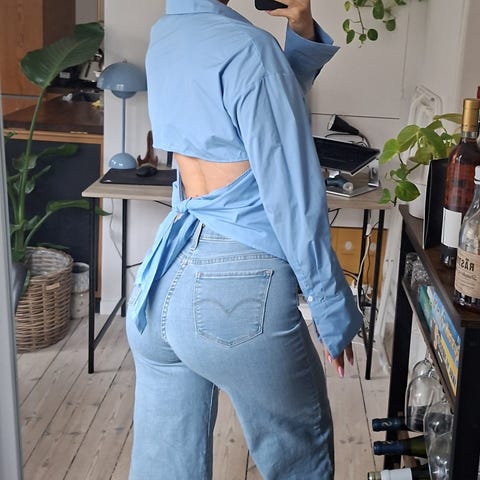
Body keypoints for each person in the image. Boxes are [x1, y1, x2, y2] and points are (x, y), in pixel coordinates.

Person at [126, 0, 363, 478]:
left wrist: (300, 34)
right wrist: (331, 310)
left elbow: (256, 115)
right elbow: (292, 196)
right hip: (236, 287)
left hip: (164, 283)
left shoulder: (165, 37)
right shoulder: (251, 49)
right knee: (301, 464)